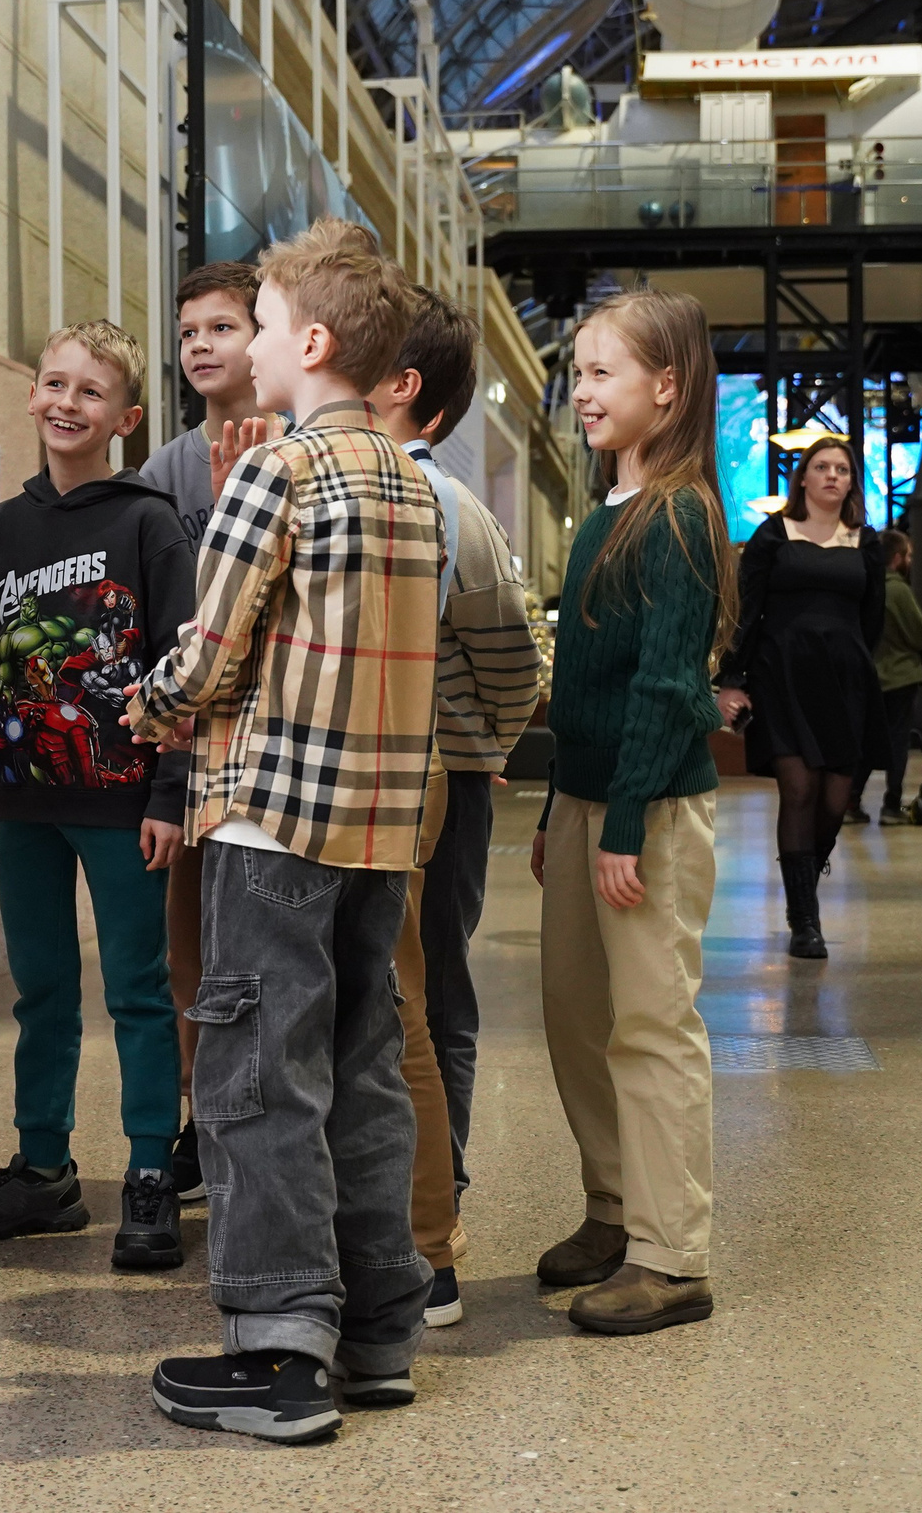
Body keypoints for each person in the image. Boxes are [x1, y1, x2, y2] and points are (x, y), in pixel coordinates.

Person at [124, 218, 437, 1444]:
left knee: (257, 1084)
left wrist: (140, 709)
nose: (241, 344)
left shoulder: (275, 472)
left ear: (308, 342)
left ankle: (277, 1350)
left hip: (269, 828)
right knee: (361, 1074)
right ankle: (376, 1334)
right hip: (379, 834)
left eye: (253, 324)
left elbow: (207, 656)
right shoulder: (415, 481)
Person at [0, 320, 195, 1269]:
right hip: (25, 803)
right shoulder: (0, 530)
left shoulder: (148, 521)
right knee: (42, 989)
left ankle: (148, 1170)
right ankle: (43, 1168)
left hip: (125, 802)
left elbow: (182, 669)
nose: (66, 403)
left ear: (125, 417)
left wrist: (169, 795)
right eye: (54, 383)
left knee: (136, 991)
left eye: (90, 392)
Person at [530, 288, 732, 1336]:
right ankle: (612, 1207)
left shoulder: (680, 515)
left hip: (645, 811)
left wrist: (616, 827)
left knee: (651, 1027)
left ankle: (671, 1255)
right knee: (575, 1016)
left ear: (668, 387)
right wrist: (560, 807)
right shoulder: (603, 509)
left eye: (603, 372)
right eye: (578, 371)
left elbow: (663, 688)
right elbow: (588, 686)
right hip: (584, 799)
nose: (583, 390)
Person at [374, 287, 543, 1327]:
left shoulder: (452, 510)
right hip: (366, 789)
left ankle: (438, 1213)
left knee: (432, 1002)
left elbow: (513, 667)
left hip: (439, 789)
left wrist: (468, 745)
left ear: (416, 402)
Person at [136, 262, 291, 1200]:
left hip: (273, 742)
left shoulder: (296, 446)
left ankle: (270, 1119)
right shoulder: (165, 468)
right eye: (188, 330)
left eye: (221, 327)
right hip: (191, 735)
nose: (200, 345)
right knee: (188, 947)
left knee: (268, 947)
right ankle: (201, 1120)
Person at [713, 438, 888, 960]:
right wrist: (733, 677)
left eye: (841, 469)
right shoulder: (773, 535)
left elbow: (872, 618)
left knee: (837, 799)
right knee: (799, 788)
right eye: (821, 467)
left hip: (845, 682)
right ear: (804, 479)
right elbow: (747, 610)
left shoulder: (865, 542)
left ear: (851, 481)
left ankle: (807, 870)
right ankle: (803, 919)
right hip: (781, 676)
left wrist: (856, 663)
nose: (832, 475)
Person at [872, 529, 922, 824]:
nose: (910, 560)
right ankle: (891, 804)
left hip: (872, 676)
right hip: (900, 676)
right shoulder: (898, 589)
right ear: (897, 559)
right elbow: (917, 633)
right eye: (908, 555)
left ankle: (850, 802)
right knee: (898, 742)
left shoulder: (866, 587)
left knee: (866, 741)